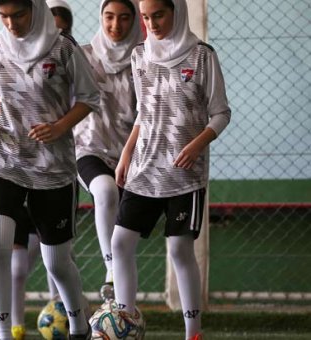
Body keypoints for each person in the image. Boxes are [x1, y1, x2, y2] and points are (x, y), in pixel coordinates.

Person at [0, 0, 100, 339]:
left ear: (35, 9)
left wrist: (59, 127)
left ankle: (78, 325)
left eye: (18, 15)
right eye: (3, 17)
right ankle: (2, 331)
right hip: (5, 160)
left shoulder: (63, 48)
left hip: (52, 166)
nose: (11, 23)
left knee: (56, 262)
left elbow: (89, 98)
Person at [112, 0, 231, 339]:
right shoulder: (139, 56)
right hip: (144, 169)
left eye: (158, 15)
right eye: (146, 17)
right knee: (120, 242)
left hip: (184, 175)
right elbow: (143, 114)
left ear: (176, 12)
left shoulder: (202, 56)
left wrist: (197, 144)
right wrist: (125, 155)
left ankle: (193, 332)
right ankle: (124, 324)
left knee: (179, 249)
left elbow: (221, 113)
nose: (152, 23)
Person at [74, 0, 142, 301]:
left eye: (125, 18)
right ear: (101, 17)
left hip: (133, 154)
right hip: (88, 149)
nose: (116, 26)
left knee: (128, 235)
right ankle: (110, 270)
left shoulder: (145, 57)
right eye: (109, 17)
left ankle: (124, 304)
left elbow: (149, 112)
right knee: (104, 192)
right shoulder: (82, 57)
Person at [0, 143, 54, 340]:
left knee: (56, 258)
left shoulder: (48, 118)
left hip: (45, 193)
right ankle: (12, 327)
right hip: (12, 202)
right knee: (17, 270)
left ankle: (61, 308)